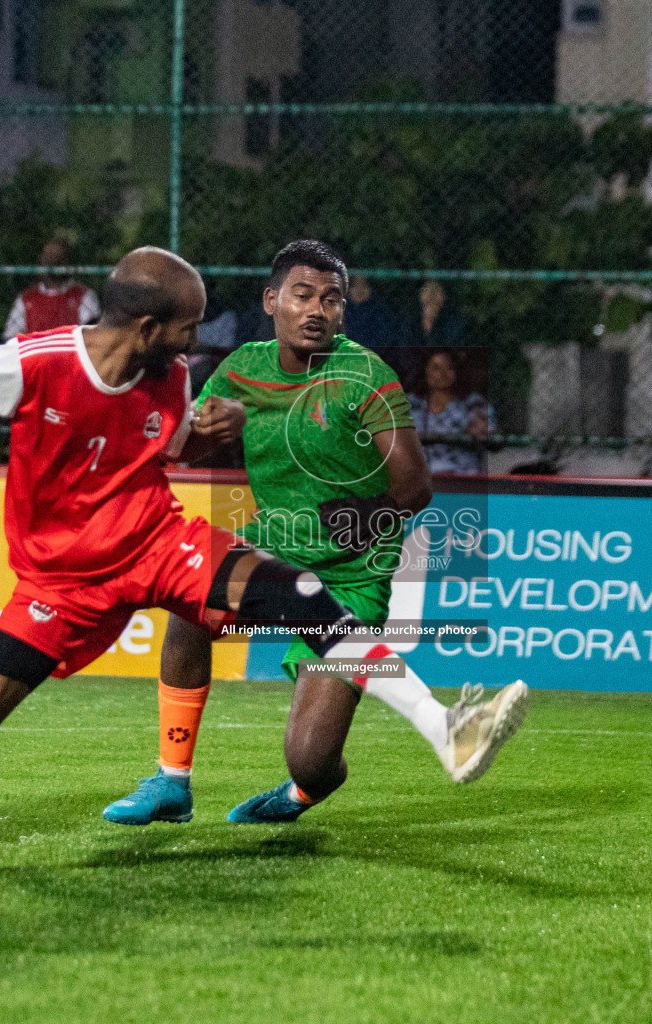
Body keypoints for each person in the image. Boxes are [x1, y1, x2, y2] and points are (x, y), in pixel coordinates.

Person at [0, 246, 520, 871]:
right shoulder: (47, 360)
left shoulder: (288, 373)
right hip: (62, 577)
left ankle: (444, 729)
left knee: (297, 624)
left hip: (165, 542)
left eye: (330, 297)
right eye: (187, 329)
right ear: (150, 327)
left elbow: (174, 442)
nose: (193, 344)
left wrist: (223, 436)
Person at [102, 241, 527, 829]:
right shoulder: (241, 369)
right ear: (272, 300)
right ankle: (172, 780)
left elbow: (415, 486)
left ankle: (301, 793)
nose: (317, 310)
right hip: (275, 546)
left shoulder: (365, 374)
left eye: (332, 300)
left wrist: (359, 514)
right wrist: (208, 429)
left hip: (354, 572)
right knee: (189, 602)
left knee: (310, 759)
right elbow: (183, 448)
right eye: (303, 295)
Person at [408, 349, 496, 476]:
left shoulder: (473, 403)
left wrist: (483, 432)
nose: (443, 374)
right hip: (420, 478)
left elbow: (495, 437)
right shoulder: (409, 405)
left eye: (449, 367)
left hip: (464, 476)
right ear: (424, 371)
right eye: (436, 368)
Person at [1, 237, 99, 340]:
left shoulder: (83, 295)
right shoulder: (27, 298)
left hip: (70, 352)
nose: (53, 262)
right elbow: (11, 337)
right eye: (49, 257)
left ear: (67, 260)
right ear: (41, 259)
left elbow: (90, 336)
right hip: (35, 353)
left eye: (59, 257)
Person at [342, 274, 409, 353]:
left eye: (364, 285)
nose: (359, 289)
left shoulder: (381, 312)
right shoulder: (342, 312)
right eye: (354, 285)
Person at [412, 279, 465, 348]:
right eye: (428, 303)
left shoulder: (451, 326)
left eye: (436, 304)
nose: (431, 309)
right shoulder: (412, 325)